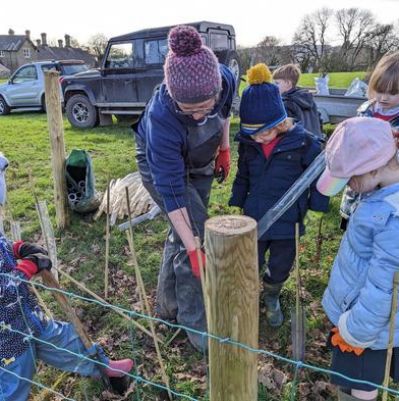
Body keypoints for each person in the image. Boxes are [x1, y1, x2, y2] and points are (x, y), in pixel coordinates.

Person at [133, 25, 236, 350]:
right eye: (189, 110)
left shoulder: (224, 80)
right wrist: (194, 248)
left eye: (205, 106)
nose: (198, 115)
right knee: (194, 236)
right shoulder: (162, 118)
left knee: (183, 233)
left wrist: (223, 148)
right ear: (174, 97)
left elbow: (224, 115)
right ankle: (195, 323)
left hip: (203, 155)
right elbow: (173, 192)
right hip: (161, 168)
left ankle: (167, 307)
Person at [0, 153, 133, 400]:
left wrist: (18, 249)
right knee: (15, 381)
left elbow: (1, 247)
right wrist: (28, 267)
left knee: (65, 339)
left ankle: (102, 366)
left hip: (27, 314)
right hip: (7, 339)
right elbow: (3, 290)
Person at [229, 63, 329, 327]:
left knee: (282, 263)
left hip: (288, 218)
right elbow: (243, 175)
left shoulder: (304, 142)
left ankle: (271, 294)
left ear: (280, 122)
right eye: (253, 133)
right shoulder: (250, 145)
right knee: (251, 258)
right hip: (256, 214)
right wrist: (237, 201)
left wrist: (317, 204)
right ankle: (250, 293)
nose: (260, 138)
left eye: (265, 131)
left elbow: (317, 175)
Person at [317, 117, 399, 401]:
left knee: (362, 383)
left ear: (374, 168)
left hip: (369, 328)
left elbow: (383, 286)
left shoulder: (392, 219)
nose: (348, 186)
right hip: (363, 317)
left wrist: (355, 331)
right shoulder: (379, 194)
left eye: (350, 178)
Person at [340, 51, 399, 230]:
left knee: (379, 240)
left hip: (387, 201)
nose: (383, 97)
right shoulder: (365, 112)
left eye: (393, 93)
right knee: (352, 236)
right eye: (380, 90)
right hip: (356, 193)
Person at [272, 63, 323, 138]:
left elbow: (283, 130)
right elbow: (319, 120)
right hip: (315, 143)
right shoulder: (309, 100)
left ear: (288, 83)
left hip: (299, 145)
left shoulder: (287, 103)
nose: (273, 86)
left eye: (277, 83)